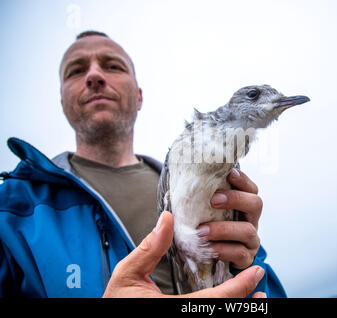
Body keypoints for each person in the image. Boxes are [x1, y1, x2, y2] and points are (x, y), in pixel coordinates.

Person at [0, 31, 287, 298]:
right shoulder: (11, 210)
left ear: (139, 96)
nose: (95, 76)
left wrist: (246, 269)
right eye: (76, 71)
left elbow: (265, 295)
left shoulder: (218, 179)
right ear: (62, 101)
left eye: (112, 66)